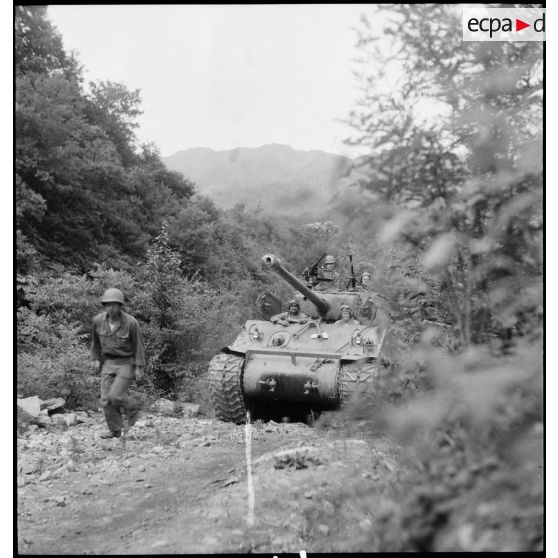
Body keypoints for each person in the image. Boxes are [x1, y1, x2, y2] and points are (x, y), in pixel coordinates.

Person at [91, 288, 146, 439]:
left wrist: (139, 367)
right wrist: (95, 358)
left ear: (120, 305)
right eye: (107, 305)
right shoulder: (98, 321)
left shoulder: (131, 323)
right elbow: (95, 342)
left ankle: (133, 407)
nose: (110, 308)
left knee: (115, 396)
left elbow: (139, 346)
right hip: (108, 362)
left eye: (113, 305)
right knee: (105, 398)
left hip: (126, 363)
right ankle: (115, 430)